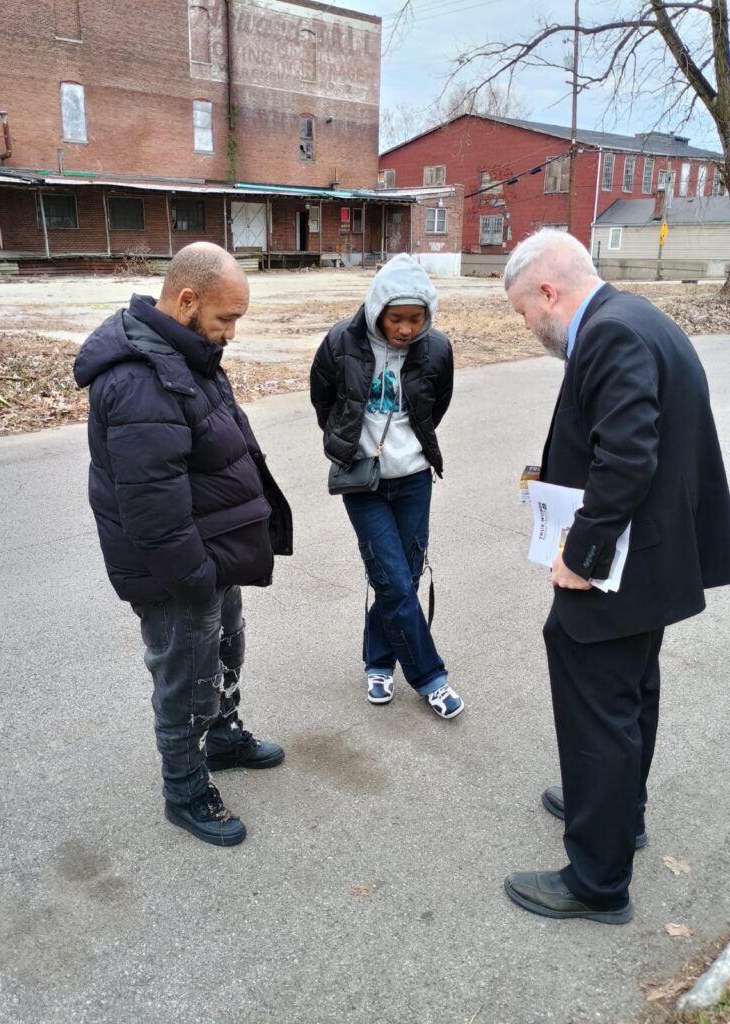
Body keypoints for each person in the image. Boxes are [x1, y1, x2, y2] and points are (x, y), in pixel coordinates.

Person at [502, 229, 730, 923]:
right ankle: (617, 813)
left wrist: (581, 554)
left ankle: (597, 882)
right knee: (629, 690)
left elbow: (627, 457)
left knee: (597, 700)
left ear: (548, 290)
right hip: (656, 560)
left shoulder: (608, 335)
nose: (528, 327)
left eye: (523, 312)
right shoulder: (638, 316)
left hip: (625, 566)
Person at [73, 242, 292, 848]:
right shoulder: (141, 378)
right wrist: (196, 577)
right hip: (181, 569)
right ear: (187, 299)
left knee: (223, 654)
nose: (231, 333)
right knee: (185, 678)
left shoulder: (184, 352)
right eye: (227, 319)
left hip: (210, 555)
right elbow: (152, 508)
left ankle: (221, 738)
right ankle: (186, 789)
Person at [310, 253, 461, 719]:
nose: (405, 329)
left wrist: (407, 449)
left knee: (402, 580)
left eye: (416, 319)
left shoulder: (436, 348)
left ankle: (378, 662)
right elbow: (323, 398)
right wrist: (347, 440)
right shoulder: (341, 342)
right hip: (363, 483)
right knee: (394, 581)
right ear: (378, 309)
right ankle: (431, 677)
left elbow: (437, 405)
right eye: (396, 318)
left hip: (414, 480)